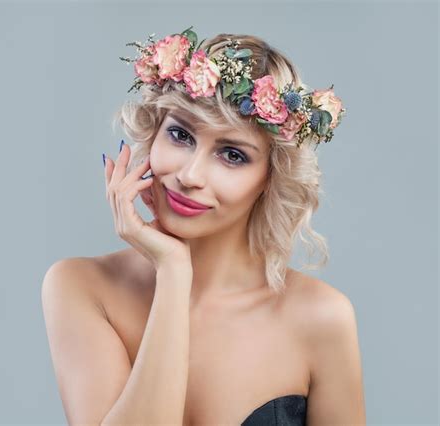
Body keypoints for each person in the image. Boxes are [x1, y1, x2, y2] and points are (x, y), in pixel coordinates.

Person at [41, 27, 366, 425]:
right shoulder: (82, 286)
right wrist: (174, 274)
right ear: (153, 134)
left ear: (270, 178)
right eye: (180, 134)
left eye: (232, 155)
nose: (191, 175)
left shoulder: (321, 317)